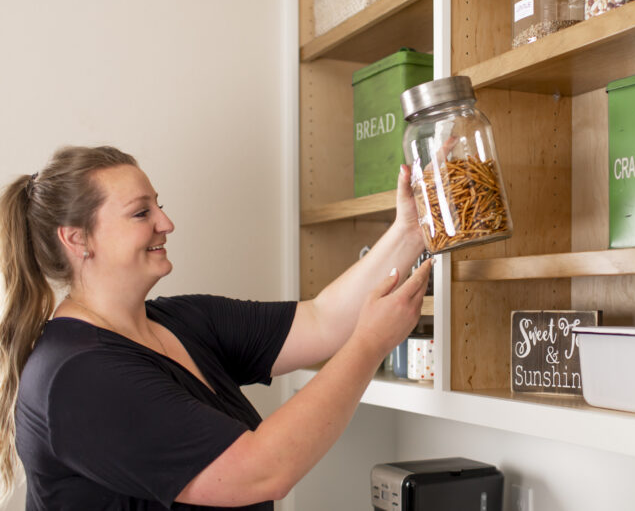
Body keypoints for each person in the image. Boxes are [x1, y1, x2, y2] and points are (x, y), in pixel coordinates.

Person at [0, 145, 430, 509]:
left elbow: (321, 320)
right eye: (140, 213)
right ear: (77, 239)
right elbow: (261, 472)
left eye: (159, 206)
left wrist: (411, 232)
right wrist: (370, 344)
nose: (166, 223)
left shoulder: (183, 320)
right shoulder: (76, 376)